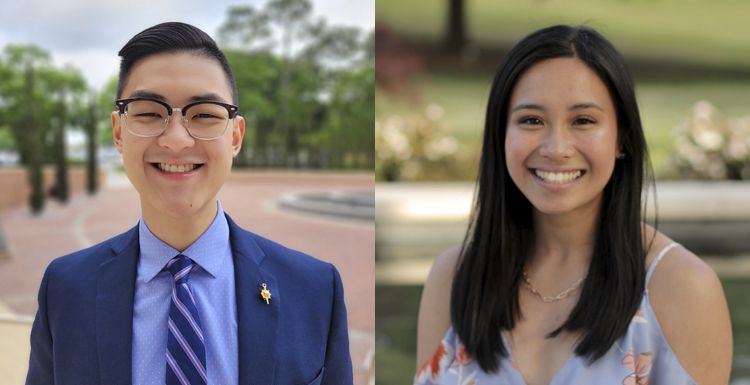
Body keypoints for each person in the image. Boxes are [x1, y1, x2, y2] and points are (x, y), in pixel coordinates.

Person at [26, 22, 352, 385]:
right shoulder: (66, 289)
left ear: (236, 137)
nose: (177, 140)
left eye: (205, 114)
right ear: (119, 132)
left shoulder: (314, 289)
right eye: (149, 112)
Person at [415, 25, 732, 385]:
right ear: (501, 135)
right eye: (531, 120)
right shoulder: (453, 277)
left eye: (583, 121)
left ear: (621, 139)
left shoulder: (682, 287)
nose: (556, 147)